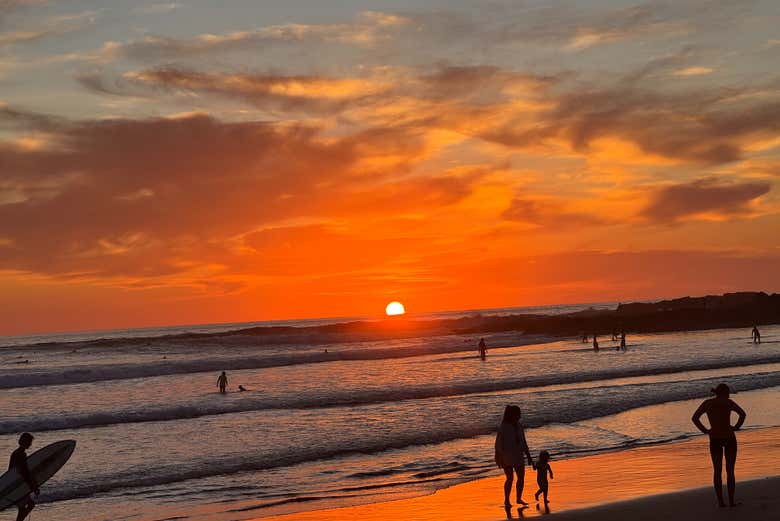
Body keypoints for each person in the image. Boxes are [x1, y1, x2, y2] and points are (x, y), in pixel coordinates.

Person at [691, 383, 747, 508]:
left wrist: (705, 430)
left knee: (717, 470)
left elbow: (695, 418)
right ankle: (731, 501)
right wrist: (736, 427)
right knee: (730, 470)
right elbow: (742, 414)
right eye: (728, 392)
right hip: (729, 437)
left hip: (714, 438)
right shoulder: (728, 402)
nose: (729, 394)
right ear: (724, 392)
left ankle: (721, 502)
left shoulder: (707, 403)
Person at [495, 405, 534, 506]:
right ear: (512, 415)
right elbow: (498, 444)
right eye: (518, 414)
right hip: (506, 456)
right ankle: (507, 500)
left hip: (518, 455)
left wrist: (529, 456)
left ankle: (518, 498)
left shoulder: (519, 426)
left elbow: (523, 442)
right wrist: (498, 457)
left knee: (521, 478)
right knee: (510, 478)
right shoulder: (503, 427)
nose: (520, 416)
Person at [9, 432, 39, 521]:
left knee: (25, 507)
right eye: (29, 442)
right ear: (25, 442)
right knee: (29, 505)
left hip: (15, 483)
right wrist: (33, 486)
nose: (30, 444)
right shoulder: (21, 454)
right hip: (18, 485)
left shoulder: (16, 452)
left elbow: (11, 470)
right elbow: (24, 472)